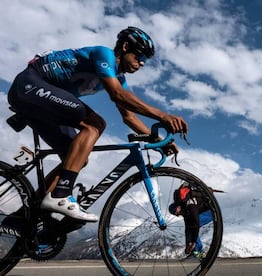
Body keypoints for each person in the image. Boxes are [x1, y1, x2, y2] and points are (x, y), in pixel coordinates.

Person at [7, 26, 188, 222]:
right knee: (95, 124)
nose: (142, 63)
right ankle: (60, 195)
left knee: (76, 158)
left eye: (145, 60)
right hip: (29, 84)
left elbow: (129, 117)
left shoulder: (119, 78)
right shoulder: (104, 54)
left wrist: (160, 141)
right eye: (139, 57)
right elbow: (117, 95)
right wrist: (162, 115)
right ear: (126, 46)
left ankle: (25, 218)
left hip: (41, 101)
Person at [169, 187, 212, 258]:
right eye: (176, 215)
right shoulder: (184, 211)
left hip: (209, 212)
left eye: (177, 213)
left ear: (178, 208)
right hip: (201, 212)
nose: (178, 215)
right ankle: (198, 253)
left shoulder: (190, 205)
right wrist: (187, 244)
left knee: (193, 227)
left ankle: (197, 251)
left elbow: (196, 224)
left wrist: (193, 242)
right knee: (190, 227)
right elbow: (187, 229)